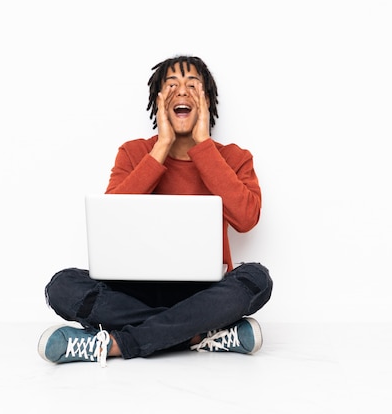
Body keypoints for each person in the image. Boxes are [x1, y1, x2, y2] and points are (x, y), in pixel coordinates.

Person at [37, 55, 273, 367]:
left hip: (203, 292)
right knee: (62, 287)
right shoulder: (134, 153)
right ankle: (198, 334)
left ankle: (119, 343)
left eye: (192, 85)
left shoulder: (233, 157)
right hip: (135, 293)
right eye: (171, 85)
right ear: (157, 101)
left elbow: (246, 218)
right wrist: (161, 148)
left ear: (207, 100)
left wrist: (202, 146)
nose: (182, 92)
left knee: (257, 279)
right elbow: (112, 220)